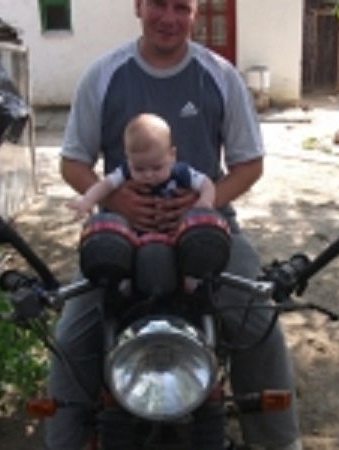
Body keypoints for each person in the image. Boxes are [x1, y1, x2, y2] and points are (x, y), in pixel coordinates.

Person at [46, 1, 302, 449]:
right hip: (118, 234)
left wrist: (206, 203)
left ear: (196, 12)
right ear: (138, 6)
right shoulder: (103, 75)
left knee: (256, 317)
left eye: (182, 6)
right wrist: (116, 200)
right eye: (158, 4)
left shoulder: (220, 76)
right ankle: (64, 441)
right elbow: (73, 161)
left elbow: (249, 164)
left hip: (209, 228)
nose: (169, 17)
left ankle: (278, 442)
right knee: (72, 332)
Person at [67, 112, 215, 222]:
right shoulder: (125, 171)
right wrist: (88, 201)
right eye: (139, 169)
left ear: (172, 156)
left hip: (175, 229)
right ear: (128, 159)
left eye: (157, 168)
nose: (148, 175)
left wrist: (205, 201)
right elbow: (105, 185)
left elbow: (206, 184)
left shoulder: (180, 171)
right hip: (136, 231)